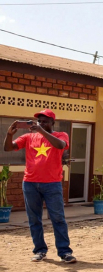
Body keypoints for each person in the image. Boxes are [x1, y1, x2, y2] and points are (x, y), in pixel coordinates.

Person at [4, 110, 75, 263]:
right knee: (34, 219)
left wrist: (41, 131)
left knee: (58, 218)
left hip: (52, 184)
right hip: (30, 183)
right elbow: (8, 148)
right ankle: (40, 250)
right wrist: (9, 134)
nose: (41, 123)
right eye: (39, 121)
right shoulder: (29, 137)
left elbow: (61, 146)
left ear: (52, 123)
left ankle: (64, 252)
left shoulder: (61, 135)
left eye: (45, 121)